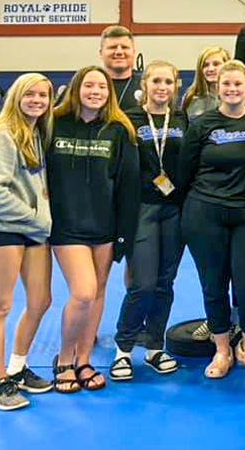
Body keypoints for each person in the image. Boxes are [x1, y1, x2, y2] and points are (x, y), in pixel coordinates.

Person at [48, 66, 140, 393]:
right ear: (76, 88)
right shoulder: (54, 124)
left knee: (98, 292)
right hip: (66, 226)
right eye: (89, 85)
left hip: (104, 227)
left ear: (109, 93)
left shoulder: (119, 130)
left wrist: (124, 233)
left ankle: (83, 360)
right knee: (83, 292)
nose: (95, 92)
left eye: (102, 87)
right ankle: (64, 360)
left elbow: (128, 186)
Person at [179, 59, 245, 378]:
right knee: (214, 284)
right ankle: (221, 350)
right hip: (205, 213)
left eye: (237, 84)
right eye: (226, 84)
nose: (232, 89)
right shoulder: (202, 125)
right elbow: (184, 170)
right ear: (217, 88)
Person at [0, 73, 54, 410]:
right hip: (5, 230)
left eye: (43, 95)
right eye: (30, 94)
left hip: (34, 232)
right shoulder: (3, 133)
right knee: (0, 306)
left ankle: (17, 367)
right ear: (16, 96)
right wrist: (37, 218)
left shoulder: (36, 132)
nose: (37, 100)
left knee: (40, 301)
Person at [110, 61, 188, 381]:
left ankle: (155, 347)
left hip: (174, 209)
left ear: (175, 85)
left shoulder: (182, 119)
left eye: (168, 81)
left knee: (165, 282)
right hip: (142, 208)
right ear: (145, 84)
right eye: (156, 81)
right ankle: (123, 349)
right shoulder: (128, 119)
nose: (162, 87)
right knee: (142, 283)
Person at [98, 25, 141, 111]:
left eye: (124, 47)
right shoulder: (87, 86)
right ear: (101, 53)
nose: (119, 52)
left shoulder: (146, 86)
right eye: (112, 47)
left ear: (133, 52)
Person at [182, 46, 230, 121]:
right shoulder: (190, 98)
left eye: (216, 64)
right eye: (205, 65)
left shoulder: (237, 97)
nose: (210, 69)